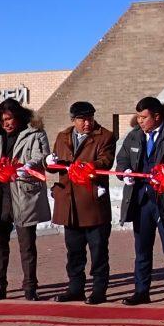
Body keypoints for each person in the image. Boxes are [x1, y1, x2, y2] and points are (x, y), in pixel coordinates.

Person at [116, 96, 164, 306]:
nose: (140, 121)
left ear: (157, 116)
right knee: (142, 250)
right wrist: (125, 172)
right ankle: (142, 291)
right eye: (138, 117)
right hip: (141, 200)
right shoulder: (133, 136)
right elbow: (122, 158)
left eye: (144, 117)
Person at [0, 97, 51, 301]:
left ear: (18, 117)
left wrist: (27, 167)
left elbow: (42, 156)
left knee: (27, 244)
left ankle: (30, 287)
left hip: (23, 194)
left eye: (9, 119)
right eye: (3, 121)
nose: (7, 124)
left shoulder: (35, 133)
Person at [46, 101, 116, 304]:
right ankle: (75, 288)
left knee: (98, 250)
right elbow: (55, 164)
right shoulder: (63, 137)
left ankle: (98, 290)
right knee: (74, 251)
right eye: (82, 119)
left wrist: (86, 166)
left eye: (90, 118)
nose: (87, 123)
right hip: (70, 205)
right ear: (73, 120)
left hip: (92, 203)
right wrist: (49, 163)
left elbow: (106, 161)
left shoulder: (105, 136)